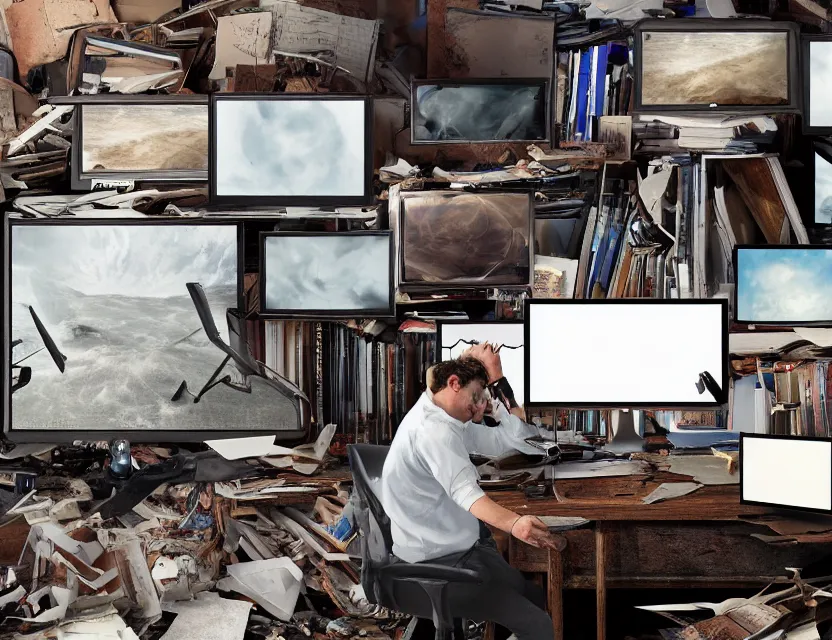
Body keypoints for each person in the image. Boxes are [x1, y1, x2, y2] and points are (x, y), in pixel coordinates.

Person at [380, 342, 561, 640]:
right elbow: (466, 493)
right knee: (539, 626)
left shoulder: (444, 415)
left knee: (534, 596)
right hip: (438, 563)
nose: (479, 413)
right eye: (476, 399)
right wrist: (516, 524)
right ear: (454, 383)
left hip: (459, 547)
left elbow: (515, 441)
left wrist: (494, 403)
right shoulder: (432, 430)